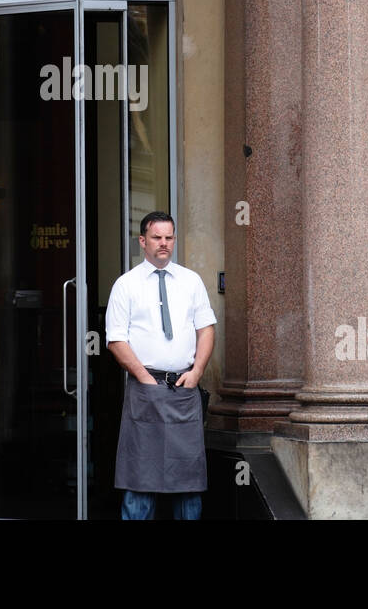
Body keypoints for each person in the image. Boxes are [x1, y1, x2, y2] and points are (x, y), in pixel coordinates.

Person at [105, 210, 216, 520]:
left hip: (184, 388)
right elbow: (115, 340)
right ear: (143, 241)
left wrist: (196, 373)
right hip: (145, 388)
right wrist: (144, 378)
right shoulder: (126, 285)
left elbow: (206, 329)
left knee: (188, 483)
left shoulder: (191, 281)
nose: (164, 243)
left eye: (169, 237)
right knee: (140, 480)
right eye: (156, 237)